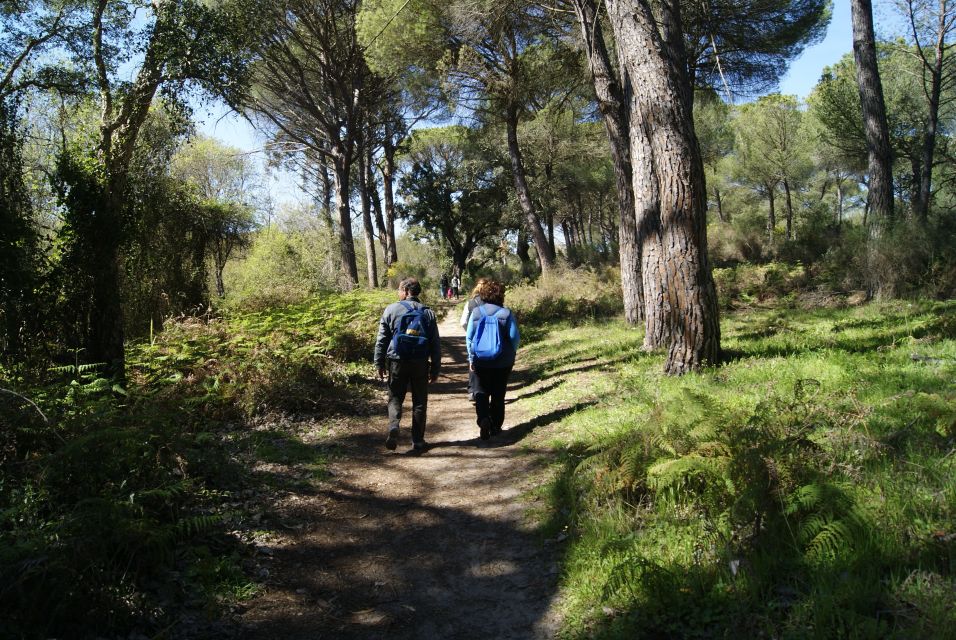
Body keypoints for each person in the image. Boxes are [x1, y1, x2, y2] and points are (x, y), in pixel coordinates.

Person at [374, 277, 441, 451]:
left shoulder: (391, 309)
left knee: (395, 396)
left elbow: (382, 339)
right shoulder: (428, 313)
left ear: (405, 291)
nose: (398, 293)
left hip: (397, 360)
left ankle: (394, 426)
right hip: (420, 361)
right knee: (419, 401)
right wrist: (435, 368)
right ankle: (418, 440)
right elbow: (435, 343)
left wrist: (379, 363)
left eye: (399, 290)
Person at [465, 279, 520, 440]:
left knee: (480, 391)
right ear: (500, 295)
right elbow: (514, 338)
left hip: (480, 360)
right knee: (498, 393)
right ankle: (496, 425)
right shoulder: (506, 313)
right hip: (503, 362)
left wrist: (471, 358)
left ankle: (483, 419)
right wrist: (511, 353)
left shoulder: (476, 313)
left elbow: (469, 338)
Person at [460, 278, 489, 402]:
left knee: (473, 363)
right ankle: (487, 389)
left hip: (476, 338)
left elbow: (463, 322)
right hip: (490, 337)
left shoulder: (470, 303)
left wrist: (469, 331)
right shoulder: (492, 302)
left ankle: (472, 391)